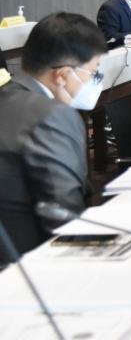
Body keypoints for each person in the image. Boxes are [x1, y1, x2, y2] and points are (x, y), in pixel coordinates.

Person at [0, 13, 108, 255]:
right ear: (62, 75)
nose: (95, 82)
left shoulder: (8, 98)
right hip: (35, 262)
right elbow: (66, 223)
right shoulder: (52, 116)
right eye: (93, 73)